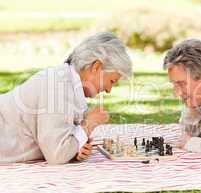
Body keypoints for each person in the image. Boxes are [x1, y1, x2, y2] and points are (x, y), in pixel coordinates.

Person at [0, 32, 132, 164]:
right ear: (96, 67)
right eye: (112, 81)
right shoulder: (57, 86)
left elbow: (58, 139)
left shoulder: (67, 84)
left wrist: (76, 146)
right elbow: (56, 155)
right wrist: (88, 124)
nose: (109, 90)